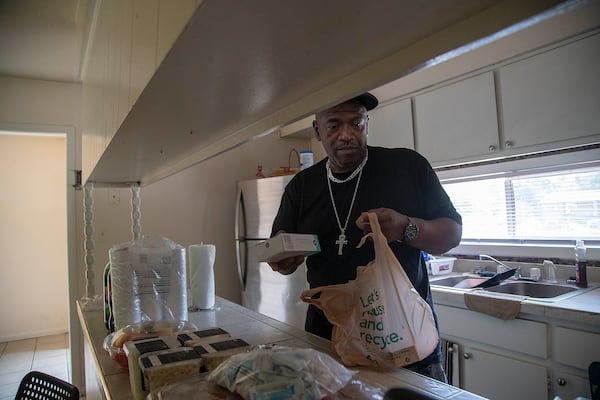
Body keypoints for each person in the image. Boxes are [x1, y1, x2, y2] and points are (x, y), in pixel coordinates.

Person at [268, 92, 462, 382]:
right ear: (317, 130)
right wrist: (283, 258)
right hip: (329, 336)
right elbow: (280, 258)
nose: (346, 135)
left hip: (405, 338)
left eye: (356, 123)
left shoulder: (408, 167)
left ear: (367, 123)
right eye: (334, 125)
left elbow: (451, 235)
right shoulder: (301, 187)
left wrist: (406, 227)